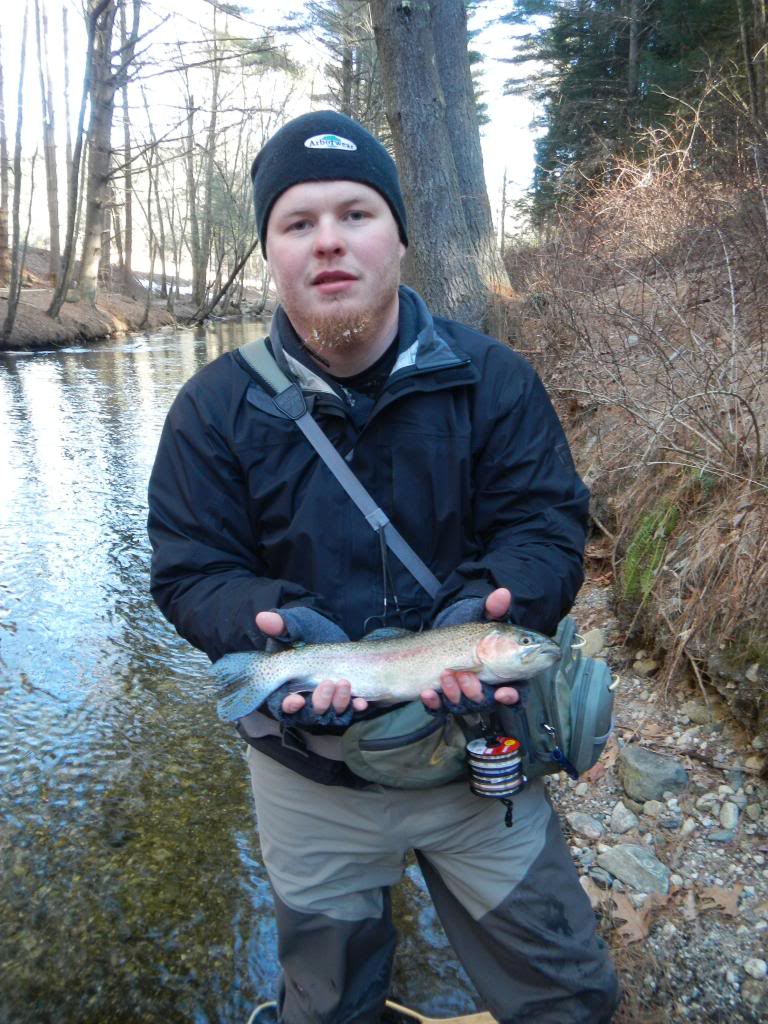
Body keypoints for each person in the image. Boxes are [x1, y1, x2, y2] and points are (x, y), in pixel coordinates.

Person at [147, 111, 619, 1024]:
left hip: (480, 759)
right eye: (298, 223)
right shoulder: (211, 410)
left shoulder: (497, 381)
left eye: (356, 212)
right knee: (326, 1007)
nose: (329, 241)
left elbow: (548, 526)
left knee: (567, 995)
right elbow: (191, 570)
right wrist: (270, 636)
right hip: (305, 775)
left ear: (400, 235)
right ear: (271, 255)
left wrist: (483, 606)